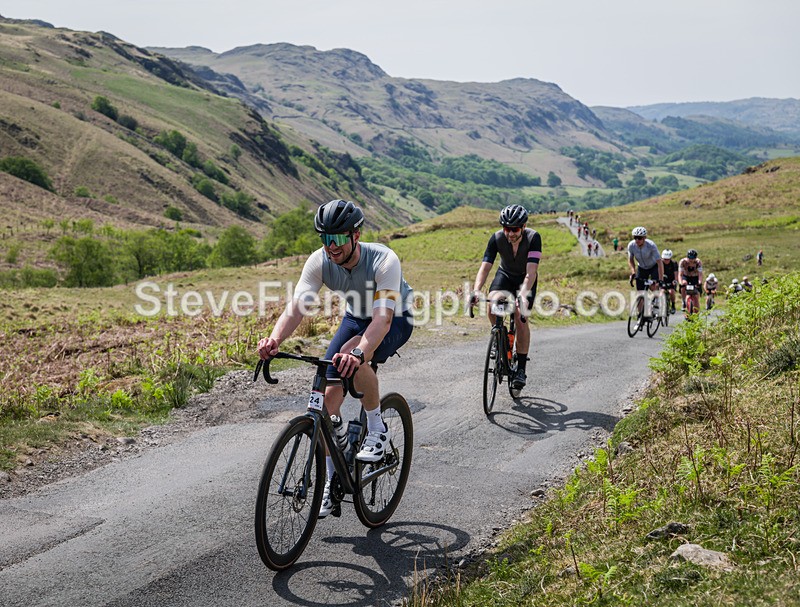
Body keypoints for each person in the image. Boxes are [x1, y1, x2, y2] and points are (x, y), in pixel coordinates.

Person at [257, 199, 414, 518]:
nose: (331, 247)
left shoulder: (384, 259)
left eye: (338, 238)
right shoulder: (319, 261)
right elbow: (297, 306)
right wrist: (274, 339)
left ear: (356, 235)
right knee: (328, 400)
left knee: (356, 363)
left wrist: (358, 354)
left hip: (394, 318)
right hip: (357, 317)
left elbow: (382, 321)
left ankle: (376, 428)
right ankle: (332, 480)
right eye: (325, 239)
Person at [470, 204, 541, 390]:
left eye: (515, 229)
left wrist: (523, 295)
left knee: (519, 316)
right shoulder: (496, 238)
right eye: (507, 229)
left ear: (523, 227)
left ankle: (521, 369)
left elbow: (531, 272)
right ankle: (500, 339)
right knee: (492, 303)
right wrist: (477, 290)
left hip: (526, 279)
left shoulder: (534, 238)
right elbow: (485, 267)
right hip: (505, 275)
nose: (510, 233)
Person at [627, 227, 664, 317]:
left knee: (653, 286)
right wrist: (633, 272)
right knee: (640, 293)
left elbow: (659, 262)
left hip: (653, 267)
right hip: (642, 268)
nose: (637, 240)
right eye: (635, 237)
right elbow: (630, 259)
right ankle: (640, 316)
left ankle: (656, 302)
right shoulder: (631, 245)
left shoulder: (651, 245)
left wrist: (660, 279)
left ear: (644, 238)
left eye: (639, 238)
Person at [678, 249, 704, 316]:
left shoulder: (698, 262)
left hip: (695, 277)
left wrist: (699, 282)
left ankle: (697, 313)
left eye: (693, 258)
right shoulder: (683, 262)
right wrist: (681, 282)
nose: (691, 260)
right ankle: (684, 301)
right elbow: (680, 274)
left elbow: (700, 274)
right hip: (686, 276)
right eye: (690, 258)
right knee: (684, 284)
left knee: (696, 296)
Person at [660, 249, 679, 314]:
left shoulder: (674, 263)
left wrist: (675, 280)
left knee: (671, 292)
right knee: (661, 292)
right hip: (663, 280)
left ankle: (673, 305)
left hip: (671, 280)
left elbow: (676, 273)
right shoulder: (660, 263)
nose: (666, 260)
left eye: (668, 259)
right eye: (665, 259)